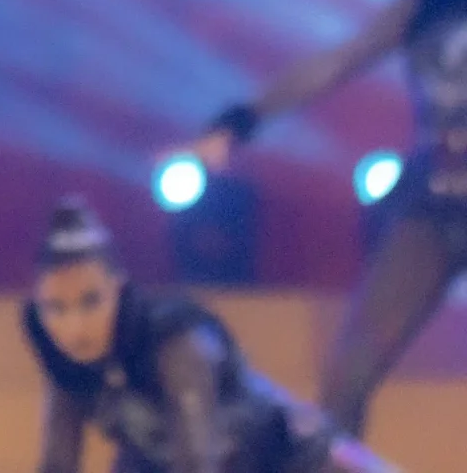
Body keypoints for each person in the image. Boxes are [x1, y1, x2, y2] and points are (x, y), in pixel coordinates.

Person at [187, 0, 467, 436]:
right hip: (435, 205)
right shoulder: (431, 3)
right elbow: (334, 65)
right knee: (345, 378)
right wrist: (243, 120)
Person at [24, 199, 393, 473]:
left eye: (90, 302)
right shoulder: (66, 365)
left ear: (118, 293)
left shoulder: (176, 341)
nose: (75, 327)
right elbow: (57, 465)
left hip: (290, 459)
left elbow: (196, 461)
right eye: (55, 308)